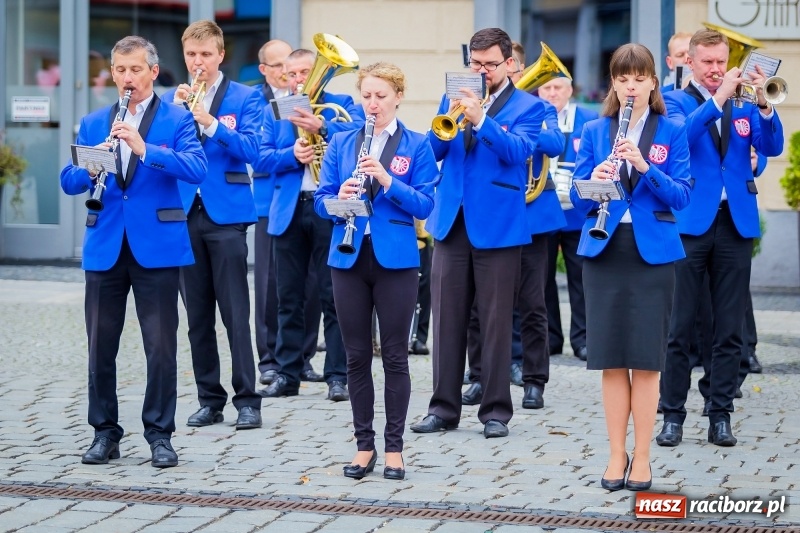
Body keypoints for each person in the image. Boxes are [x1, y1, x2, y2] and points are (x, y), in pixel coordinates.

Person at [60, 35, 207, 468]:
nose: (128, 77)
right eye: (121, 70)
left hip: (157, 247)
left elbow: (197, 168)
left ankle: (160, 434)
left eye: (136, 70)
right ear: (112, 73)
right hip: (105, 244)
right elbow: (68, 180)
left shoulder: (178, 119)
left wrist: (146, 150)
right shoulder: (93, 122)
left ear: (153, 72)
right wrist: (91, 165)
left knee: (160, 347)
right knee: (100, 345)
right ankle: (104, 432)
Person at [410, 27, 545, 439]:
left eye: (489, 64)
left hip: (499, 224)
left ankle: (496, 411)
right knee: (446, 320)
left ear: (509, 63)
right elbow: (432, 151)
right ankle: (443, 408)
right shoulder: (452, 96)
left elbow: (518, 152)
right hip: (452, 219)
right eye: (475, 63)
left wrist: (481, 119)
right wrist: (446, 122)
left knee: (496, 321)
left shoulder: (529, 106)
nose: (481, 71)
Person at [570, 43, 691, 491]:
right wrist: (595, 180)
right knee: (611, 359)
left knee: (645, 360)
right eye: (623, 79)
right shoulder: (595, 128)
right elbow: (577, 196)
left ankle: (641, 456)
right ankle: (615, 455)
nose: (631, 87)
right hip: (605, 249)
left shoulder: (672, 129)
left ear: (653, 82)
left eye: (639, 78)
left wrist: (643, 166)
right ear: (614, 84)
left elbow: (681, 195)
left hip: (652, 254)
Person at [658, 28, 784, 448]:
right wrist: (718, 99)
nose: (716, 69)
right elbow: (680, 138)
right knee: (679, 326)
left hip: (735, 221)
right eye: (708, 62)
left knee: (729, 329)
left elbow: (772, 146)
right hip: (690, 221)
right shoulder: (673, 101)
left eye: (721, 61)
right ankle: (672, 414)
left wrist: (764, 106)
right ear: (690, 62)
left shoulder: (744, 101)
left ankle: (720, 413)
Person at [315, 62, 437, 480]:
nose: (372, 104)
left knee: (396, 356)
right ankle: (364, 445)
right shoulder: (341, 141)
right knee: (355, 356)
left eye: (381, 96)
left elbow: (425, 204)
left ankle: (395, 448)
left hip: (396, 259)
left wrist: (387, 181)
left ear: (398, 97)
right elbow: (321, 201)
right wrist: (339, 197)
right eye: (366, 95)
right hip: (347, 256)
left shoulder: (417, 144)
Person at [164, 20, 264, 431]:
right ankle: (210, 399)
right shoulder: (170, 101)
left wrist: (209, 122)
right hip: (185, 213)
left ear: (220, 55)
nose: (198, 62)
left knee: (236, 314)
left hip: (227, 215)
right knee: (198, 316)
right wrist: (174, 115)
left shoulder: (246, 96)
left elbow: (252, 149)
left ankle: (248, 400)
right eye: (191, 55)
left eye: (206, 54)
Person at [256, 48, 365, 401]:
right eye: (293, 74)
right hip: (290, 208)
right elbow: (260, 156)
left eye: (305, 72)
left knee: (334, 295)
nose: (299, 80)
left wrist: (323, 127)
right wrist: (291, 155)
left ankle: (337, 376)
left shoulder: (340, 103)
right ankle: (287, 374)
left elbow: (361, 135)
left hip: (328, 208)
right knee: (288, 297)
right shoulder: (277, 108)